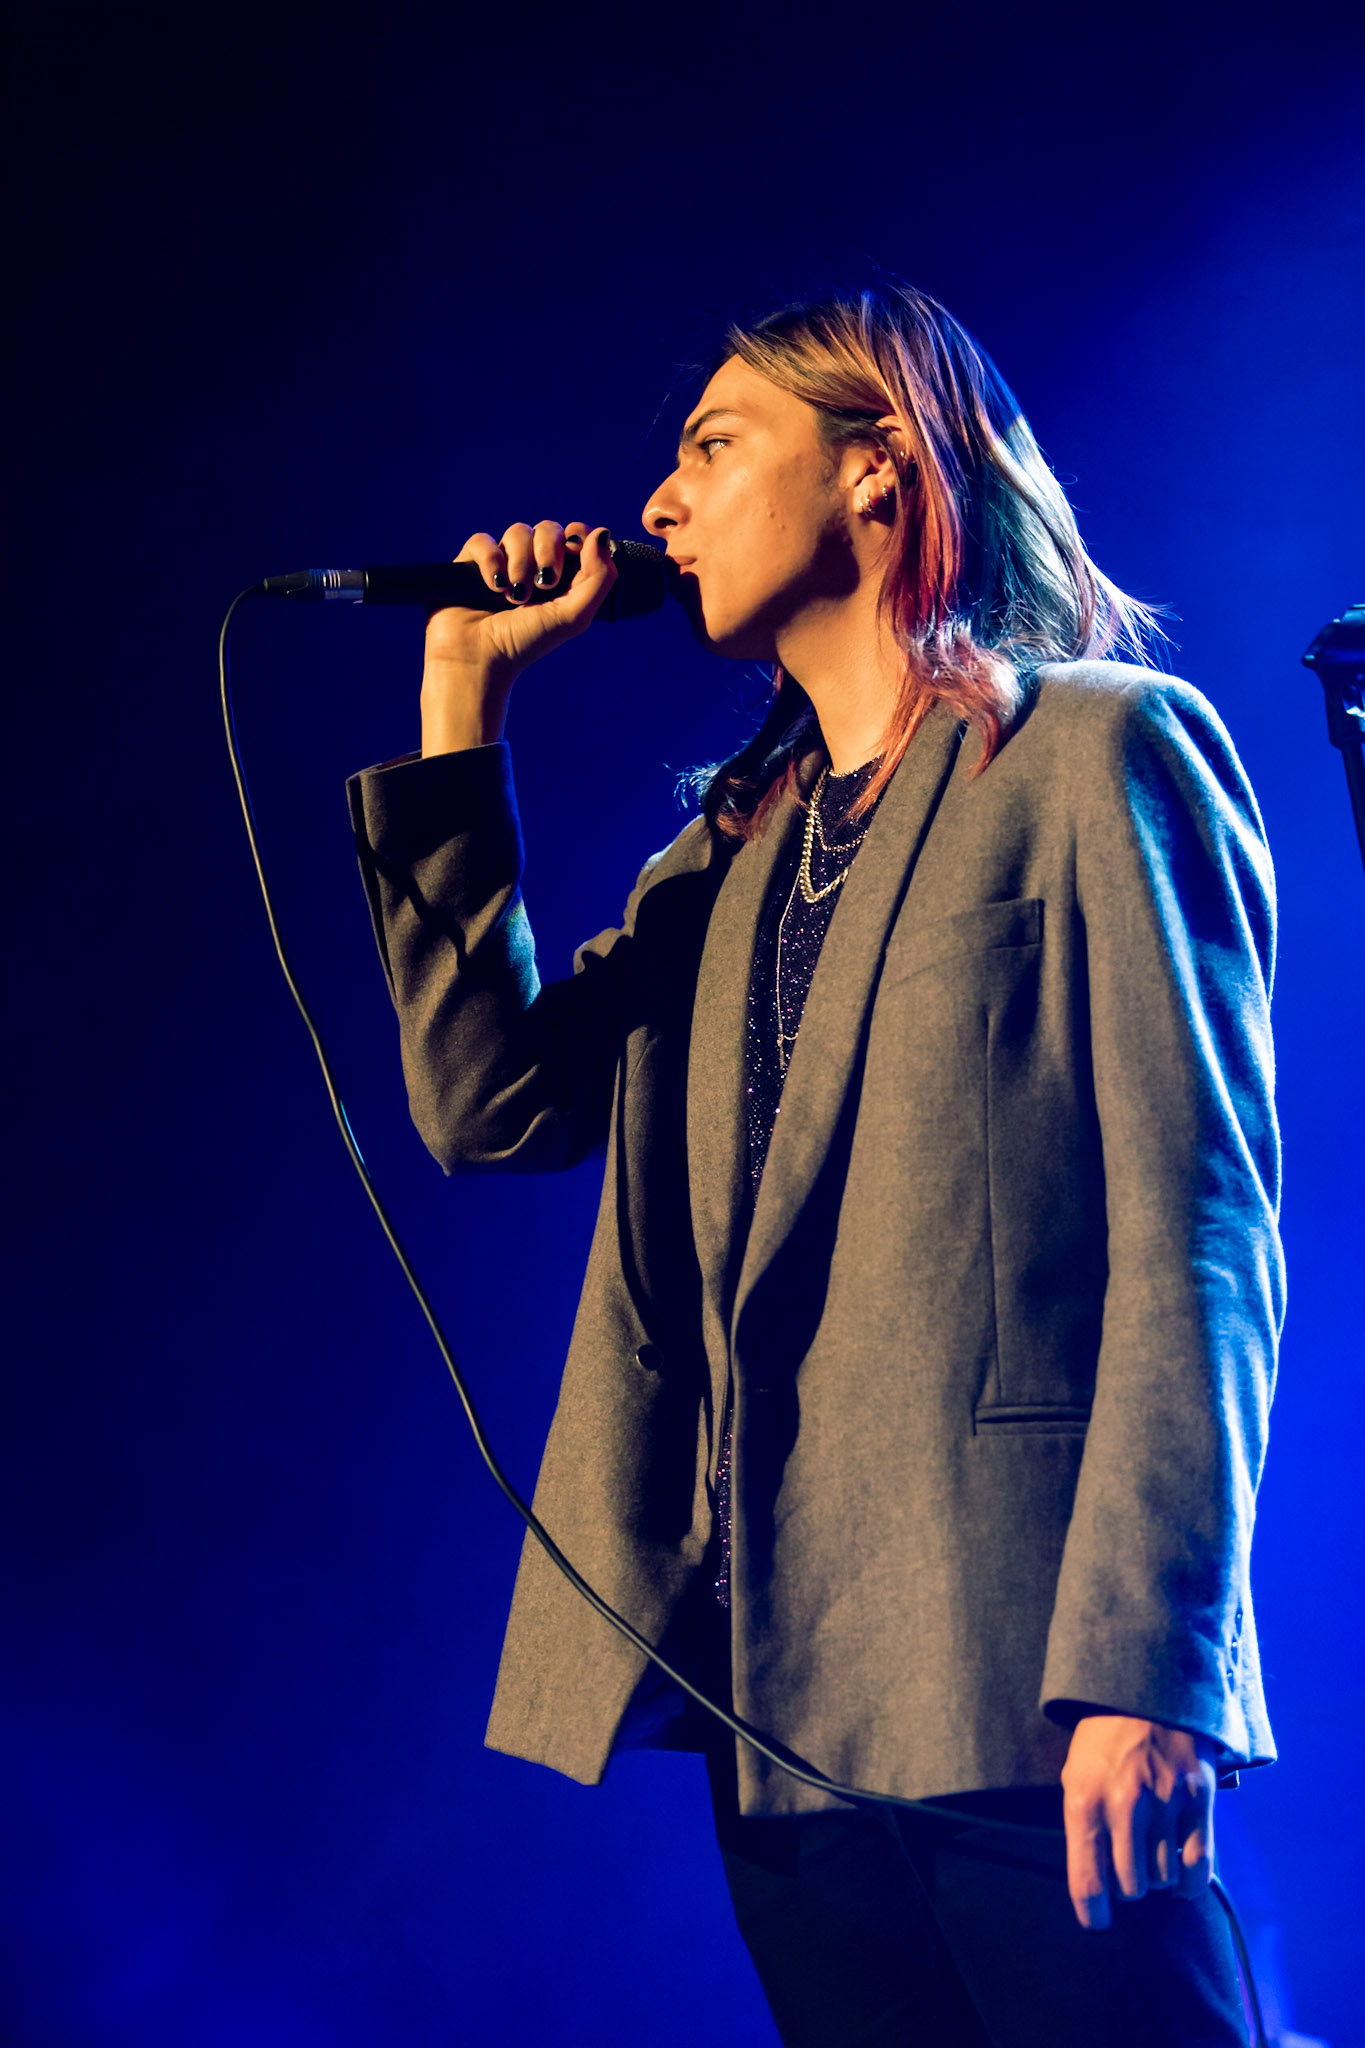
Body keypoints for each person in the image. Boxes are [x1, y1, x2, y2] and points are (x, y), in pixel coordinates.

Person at [347, 282, 1283, 2044]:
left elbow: (1200, 1237)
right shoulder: (715, 867)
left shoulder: (1095, 750)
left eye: (714, 447)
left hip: (1028, 1682)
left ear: (879, 470)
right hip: (774, 1691)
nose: (667, 503)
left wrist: (1147, 1674)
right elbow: (485, 1109)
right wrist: (458, 687)